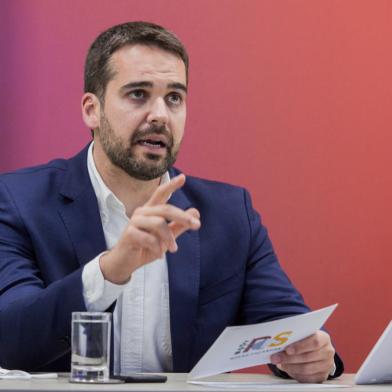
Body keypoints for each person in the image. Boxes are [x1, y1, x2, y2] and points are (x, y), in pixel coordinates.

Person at [0, 21, 343, 382]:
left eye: (174, 98)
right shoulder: (18, 201)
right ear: (92, 110)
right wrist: (111, 270)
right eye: (138, 94)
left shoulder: (228, 214)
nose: (160, 115)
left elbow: (290, 327)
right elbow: (10, 338)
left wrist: (315, 357)